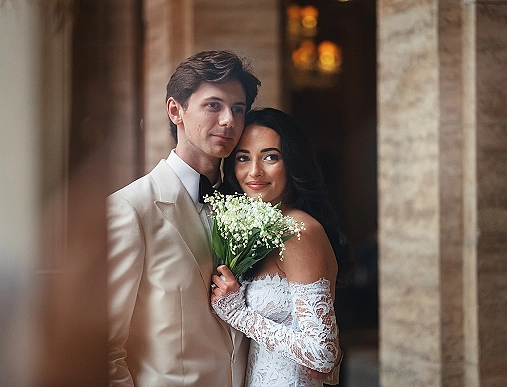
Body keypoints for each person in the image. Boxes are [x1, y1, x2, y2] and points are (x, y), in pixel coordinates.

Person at [107, 50, 261, 387]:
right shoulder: (131, 209)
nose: (228, 121)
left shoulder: (248, 207)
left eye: (238, 109)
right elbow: (103, 347)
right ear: (176, 110)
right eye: (213, 105)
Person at [210, 107, 351, 386]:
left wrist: (239, 314)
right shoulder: (261, 228)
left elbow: (322, 354)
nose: (254, 172)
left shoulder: (299, 231)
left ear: (293, 162)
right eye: (243, 158)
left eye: (270, 157)